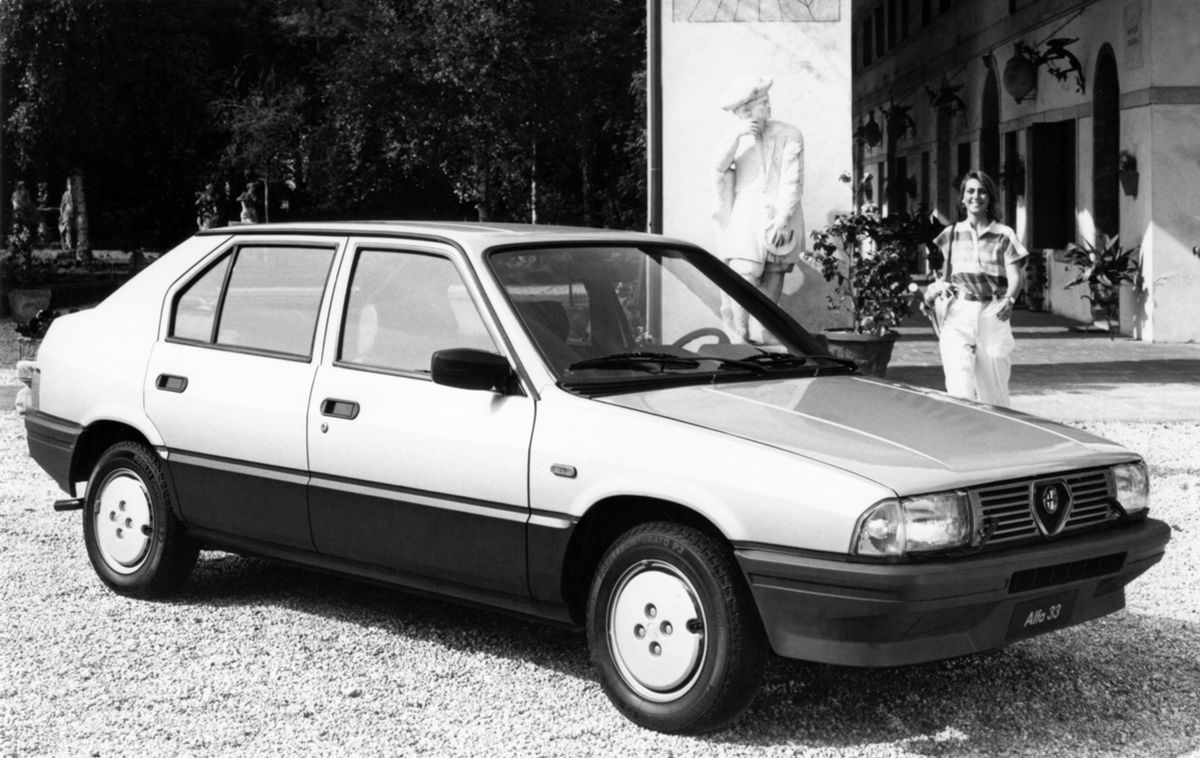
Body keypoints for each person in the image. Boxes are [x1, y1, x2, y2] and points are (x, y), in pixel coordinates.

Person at [711, 75, 805, 342]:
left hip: (780, 210)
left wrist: (784, 218)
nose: (768, 106)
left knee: (775, 269)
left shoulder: (789, 134)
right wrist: (737, 135)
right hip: (746, 208)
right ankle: (740, 330)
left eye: (767, 100)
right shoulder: (735, 137)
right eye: (762, 102)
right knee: (744, 271)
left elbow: (793, 178)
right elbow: (717, 167)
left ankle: (763, 329)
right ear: (745, 111)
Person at [924, 169, 1028, 406]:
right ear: (962, 198)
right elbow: (946, 274)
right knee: (958, 388)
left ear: (990, 198)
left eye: (982, 192)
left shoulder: (1004, 234)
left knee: (995, 390)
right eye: (970, 191)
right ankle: (963, 438)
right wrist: (937, 288)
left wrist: (1010, 300)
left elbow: (1015, 276)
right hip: (958, 312)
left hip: (992, 311)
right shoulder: (951, 234)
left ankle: (997, 437)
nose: (976, 196)